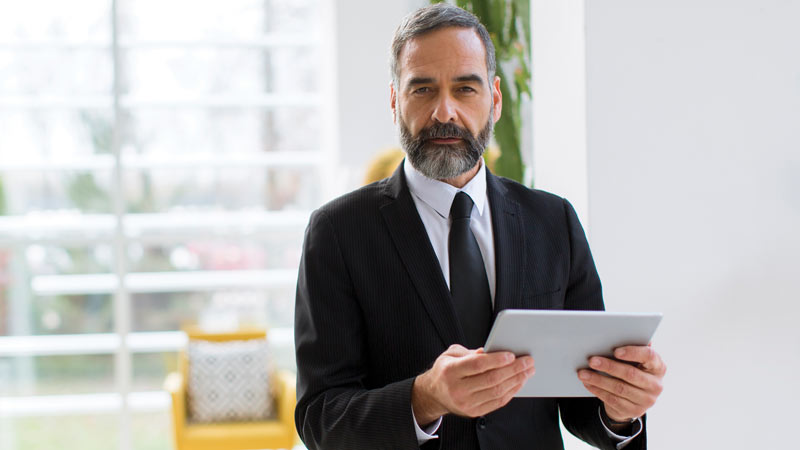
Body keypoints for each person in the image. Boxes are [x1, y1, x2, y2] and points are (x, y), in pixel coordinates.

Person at [294, 4, 666, 449]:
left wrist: (621, 411)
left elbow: (584, 402)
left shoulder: (554, 222)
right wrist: (424, 398)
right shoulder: (337, 233)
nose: (444, 111)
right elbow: (320, 418)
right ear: (395, 100)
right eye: (423, 89)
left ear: (495, 98)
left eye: (465, 89)